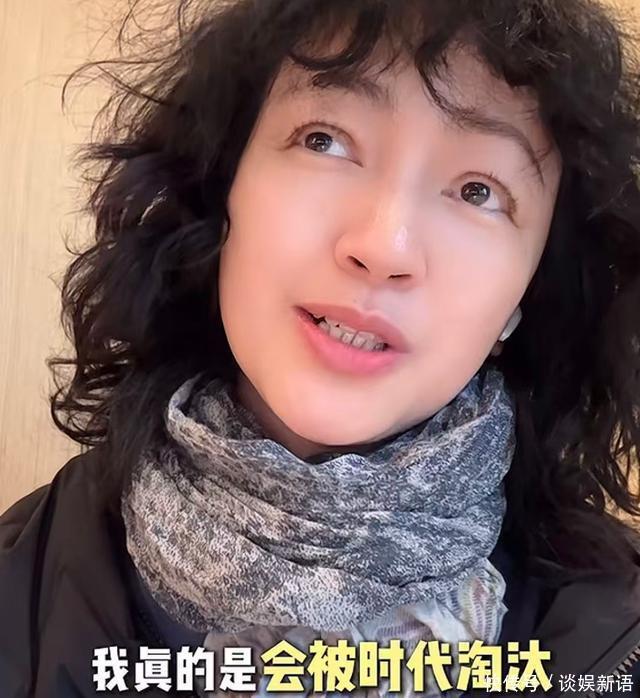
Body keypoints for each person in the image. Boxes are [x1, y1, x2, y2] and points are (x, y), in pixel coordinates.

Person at [1, 0, 640, 695]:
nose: (384, 247)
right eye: (324, 141)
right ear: (220, 190)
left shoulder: (613, 637)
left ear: (526, 294)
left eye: (478, 191)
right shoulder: (20, 588)